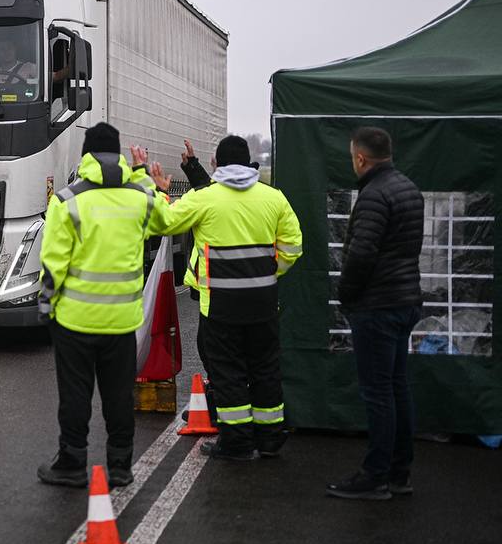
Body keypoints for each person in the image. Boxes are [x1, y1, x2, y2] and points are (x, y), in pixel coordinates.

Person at [145, 135, 303, 460]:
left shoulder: (205, 198)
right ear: (248, 162)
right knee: (265, 368)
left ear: (217, 162)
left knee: (227, 371)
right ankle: (271, 437)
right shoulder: (274, 198)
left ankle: (238, 443)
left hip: (220, 305)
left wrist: (160, 191)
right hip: (263, 302)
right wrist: (269, 274)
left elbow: (164, 222)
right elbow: (293, 246)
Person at [37, 122, 169, 488]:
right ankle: (121, 466)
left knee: (75, 396)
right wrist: (146, 180)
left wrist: (46, 307)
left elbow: (53, 266)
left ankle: (72, 464)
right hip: (122, 322)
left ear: (86, 156)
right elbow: (165, 220)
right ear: (119, 155)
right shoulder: (139, 200)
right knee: (119, 396)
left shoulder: (65, 201)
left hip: (75, 321)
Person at [327, 127, 425, 501]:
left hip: (377, 306)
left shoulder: (373, 196)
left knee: (377, 393)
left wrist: (347, 296)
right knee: (398, 388)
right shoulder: (407, 189)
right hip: (404, 301)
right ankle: (400, 472)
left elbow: (361, 255)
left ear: (361, 158)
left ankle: (375, 476)